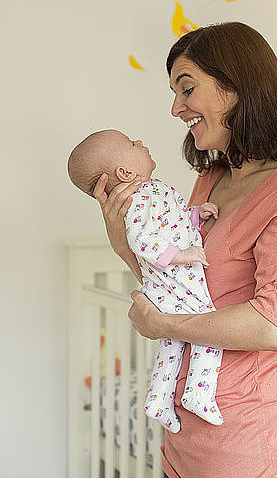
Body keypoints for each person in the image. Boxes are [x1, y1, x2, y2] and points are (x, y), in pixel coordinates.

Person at [93, 22, 277, 478]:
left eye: (186, 88)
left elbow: (275, 326)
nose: (176, 108)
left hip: (244, 450)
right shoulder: (212, 178)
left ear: (236, 86)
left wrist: (159, 324)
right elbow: (182, 287)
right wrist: (125, 246)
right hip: (183, 446)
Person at [67, 129, 224, 432]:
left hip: (170, 283)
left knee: (173, 342)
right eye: (131, 144)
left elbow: (171, 222)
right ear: (124, 172)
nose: (140, 142)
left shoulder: (152, 190)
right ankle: (198, 393)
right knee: (209, 330)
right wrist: (183, 254)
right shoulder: (139, 198)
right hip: (174, 281)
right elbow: (141, 241)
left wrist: (196, 216)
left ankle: (158, 399)